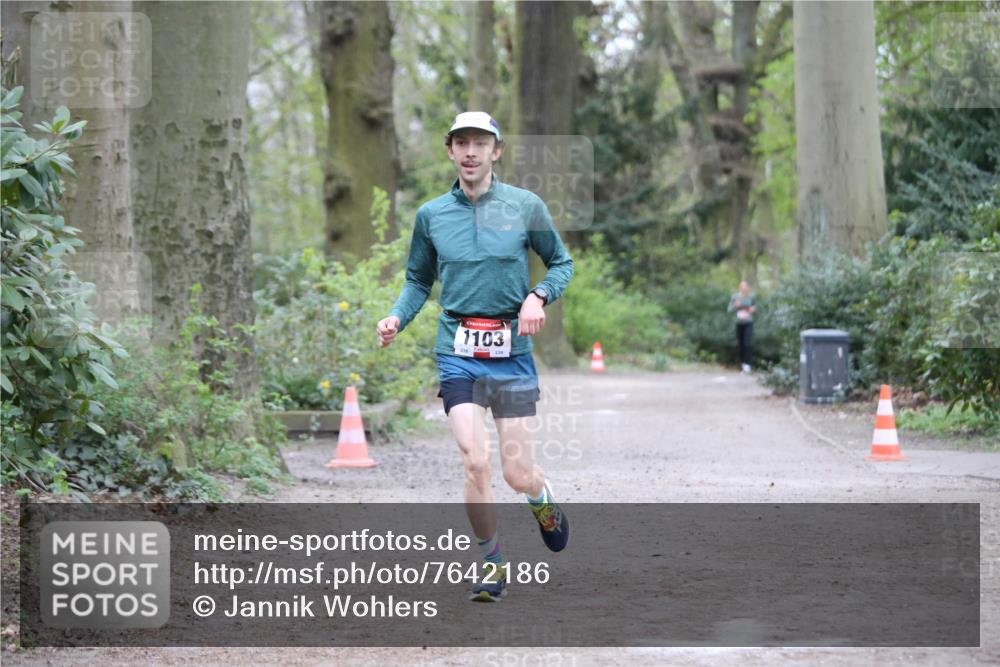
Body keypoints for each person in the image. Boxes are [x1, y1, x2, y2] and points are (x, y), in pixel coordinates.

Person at [376, 111, 574, 602]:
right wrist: (398, 317)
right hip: (457, 350)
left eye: (479, 143)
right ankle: (491, 563)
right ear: (450, 151)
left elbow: (562, 263)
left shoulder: (525, 206)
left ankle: (540, 497)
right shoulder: (431, 215)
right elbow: (419, 280)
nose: (470, 151)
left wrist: (539, 295)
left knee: (515, 472)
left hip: (512, 353)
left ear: (496, 151)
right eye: (461, 142)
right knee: (475, 460)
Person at [728, 280, 756, 374]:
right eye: (741, 286)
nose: (743, 288)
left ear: (748, 287)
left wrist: (752, 309)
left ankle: (748, 365)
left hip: (748, 323)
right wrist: (735, 306)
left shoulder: (751, 297)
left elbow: (754, 308)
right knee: (741, 344)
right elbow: (729, 309)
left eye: (745, 286)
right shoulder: (735, 297)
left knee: (747, 343)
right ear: (739, 287)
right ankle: (743, 365)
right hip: (739, 323)